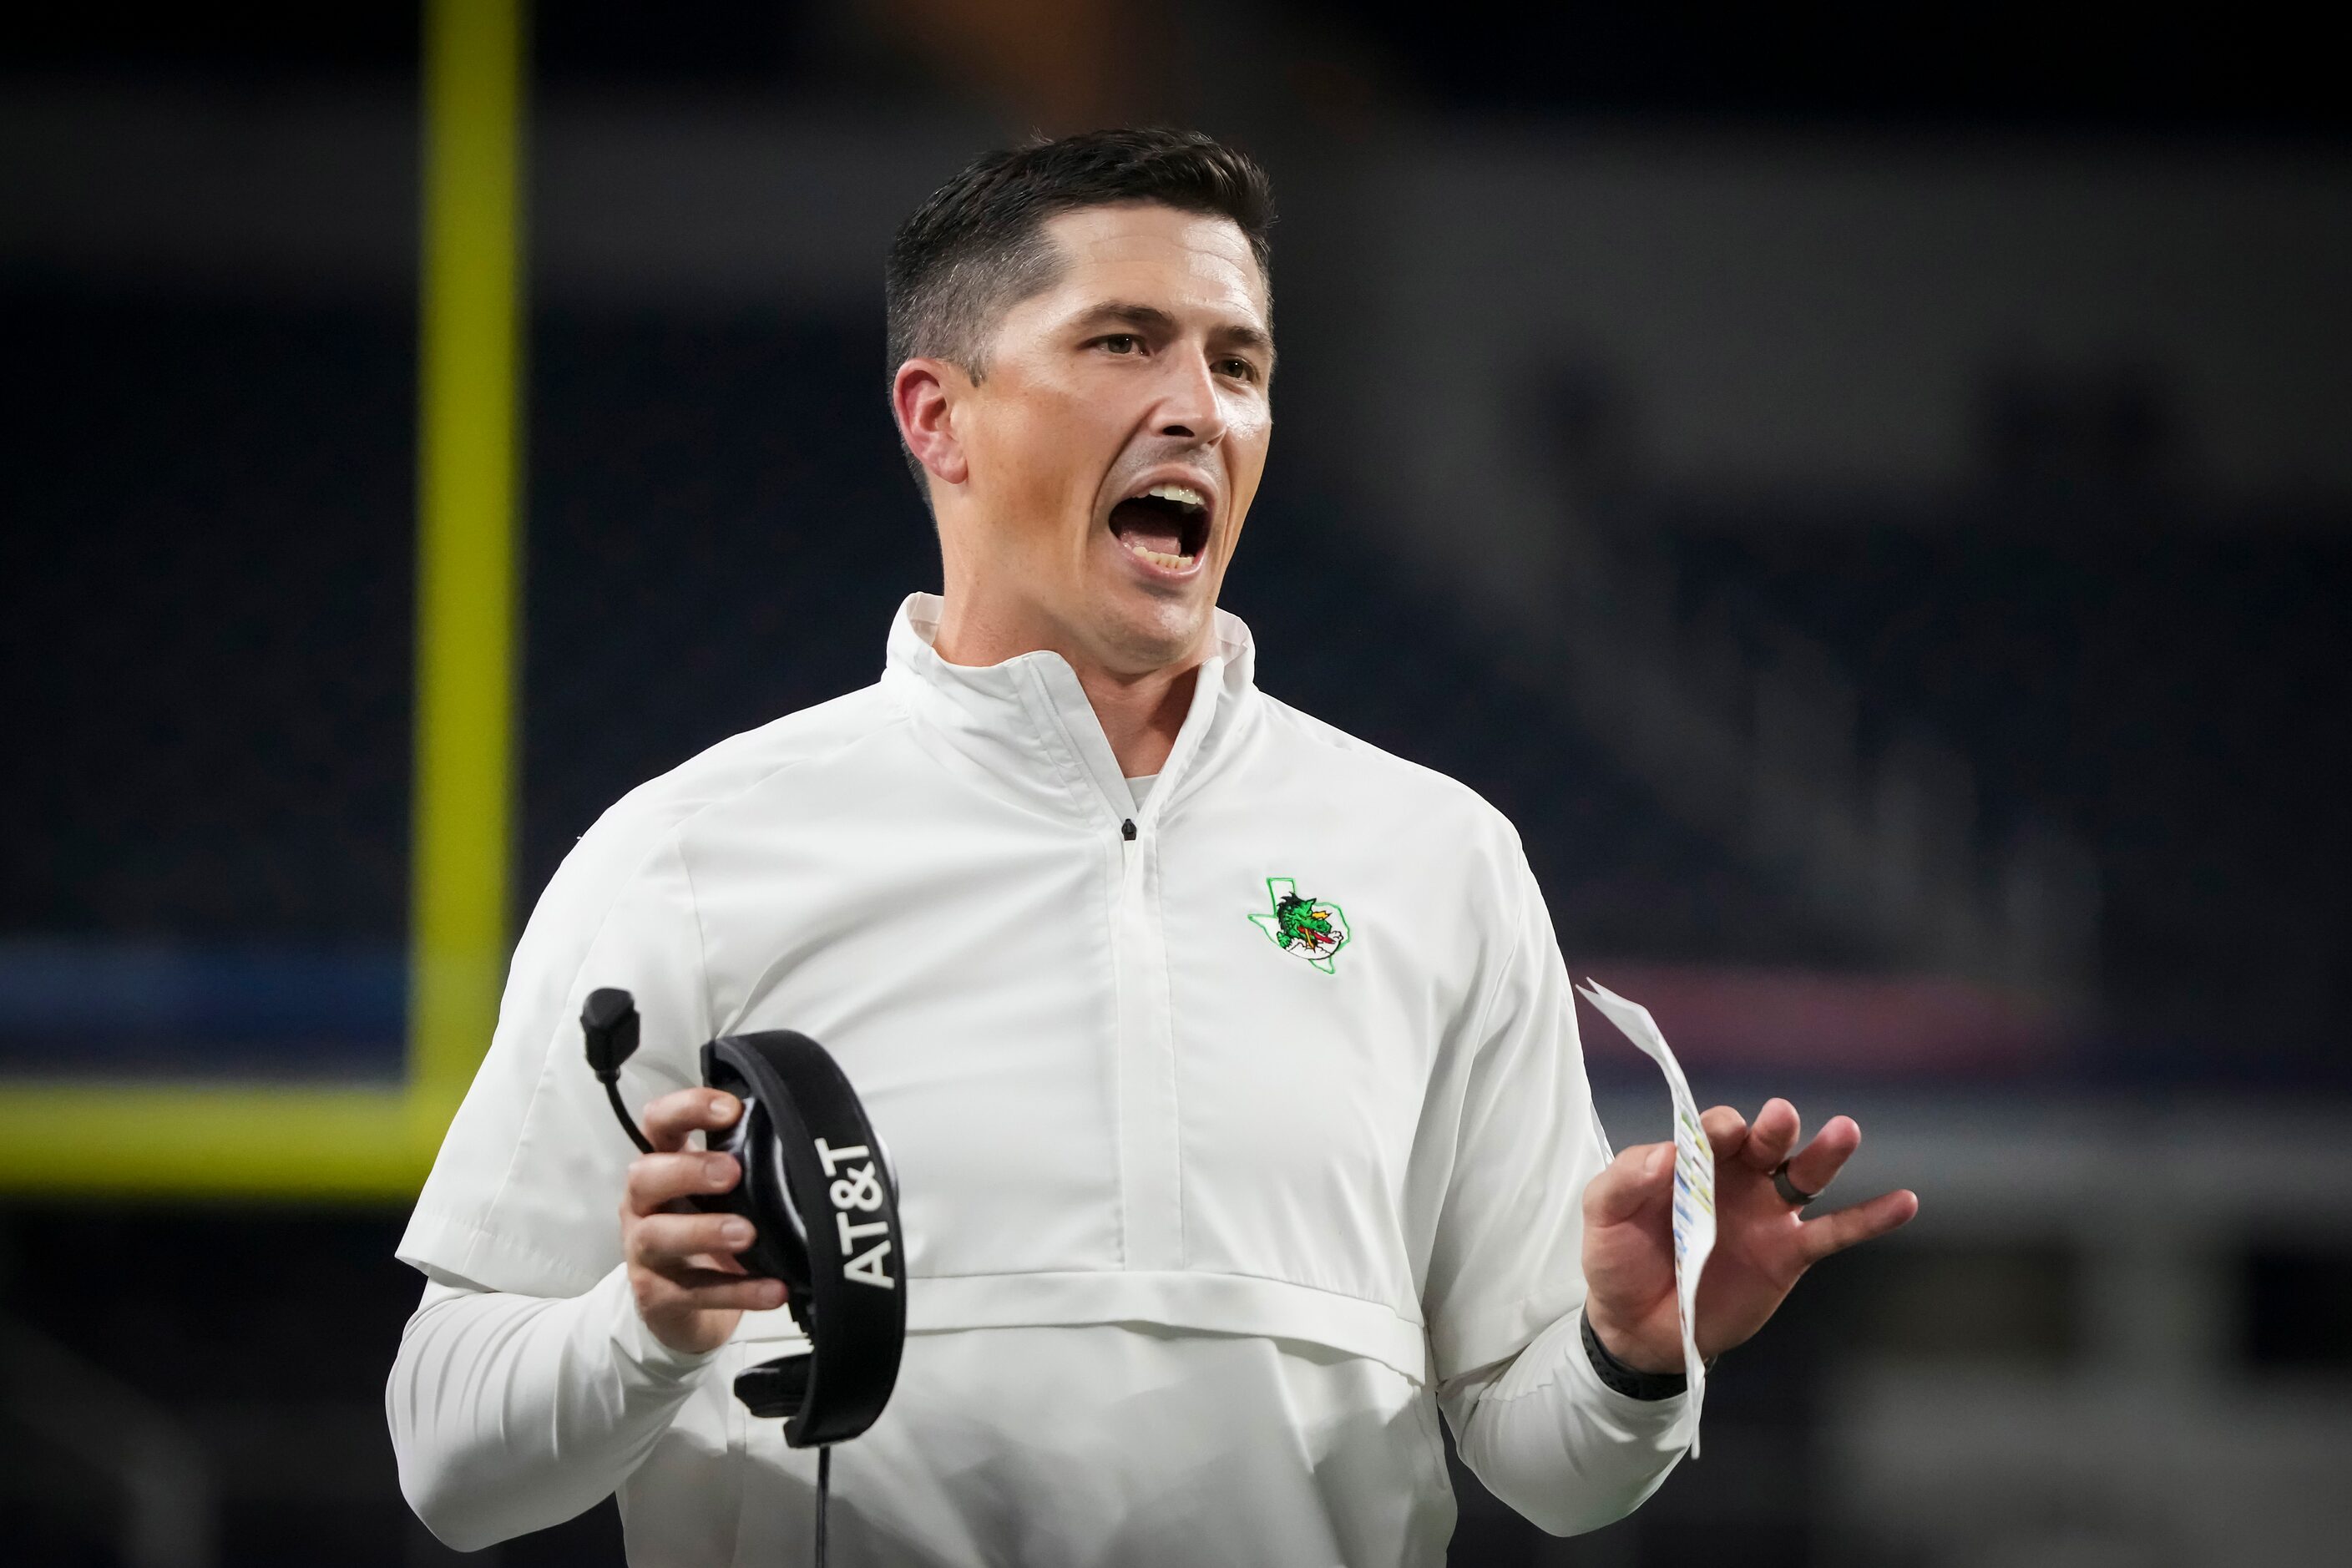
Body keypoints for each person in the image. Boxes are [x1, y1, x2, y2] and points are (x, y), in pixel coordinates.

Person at [386, 128, 1918, 1568]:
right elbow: (449, 1454)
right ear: (939, 416)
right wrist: (642, 1329)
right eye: (1124, 342)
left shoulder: (1430, 855)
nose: (1200, 404)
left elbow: (1549, 1465)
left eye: (1236, 360)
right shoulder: (695, 850)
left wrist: (1628, 1354)